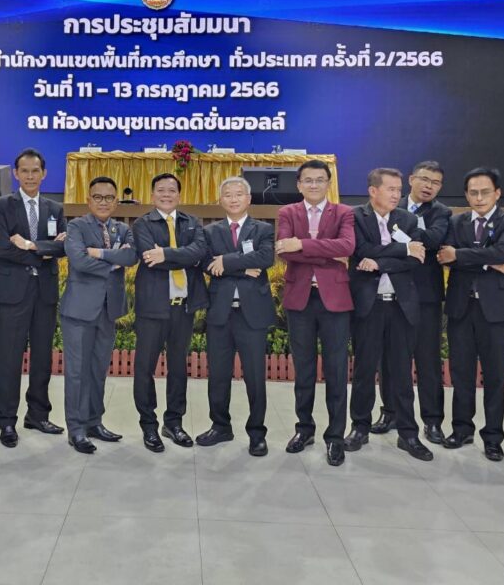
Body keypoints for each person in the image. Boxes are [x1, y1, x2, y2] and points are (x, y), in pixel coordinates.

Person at [438, 167, 504, 461]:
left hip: (497, 309)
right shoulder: (456, 221)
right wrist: (488, 262)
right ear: (466, 195)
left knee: (494, 375)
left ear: (497, 193)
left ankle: (492, 437)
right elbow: (445, 256)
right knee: (461, 372)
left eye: (485, 192)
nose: (479, 198)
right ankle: (461, 429)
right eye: (473, 193)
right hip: (461, 307)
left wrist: (463, 255)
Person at [345, 168, 432, 460]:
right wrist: (403, 249)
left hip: (401, 305)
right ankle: (359, 427)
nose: (397, 194)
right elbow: (361, 251)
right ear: (373, 191)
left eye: (398, 189)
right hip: (368, 305)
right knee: (364, 369)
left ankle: (408, 433)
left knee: (402, 372)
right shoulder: (355, 217)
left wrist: (380, 263)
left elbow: (416, 260)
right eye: (391, 189)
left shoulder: (407, 219)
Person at [275, 159, 354, 466]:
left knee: (336, 371)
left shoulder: (344, 212)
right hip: (301, 300)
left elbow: (346, 246)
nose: (313, 185)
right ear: (299, 184)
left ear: (328, 183)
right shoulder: (287, 212)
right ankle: (304, 429)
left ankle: (335, 437)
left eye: (319, 180)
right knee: (304, 370)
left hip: (335, 300)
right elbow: (285, 251)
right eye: (308, 180)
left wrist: (302, 245)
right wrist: (325, 253)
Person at [0, 148, 67, 447]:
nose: (31, 176)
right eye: (25, 171)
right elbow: (2, 249)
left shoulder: (55, 208)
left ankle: (38, 414)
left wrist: (31, 245)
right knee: (9, 358)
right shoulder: (1, 206)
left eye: (36, 171)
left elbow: (62, 248)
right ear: (16, 173)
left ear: (44, 173)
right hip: (13, 292)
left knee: (42, 356)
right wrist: (43, 251)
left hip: (44, 293)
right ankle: (7, 420)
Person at [374, 160, 452, 445]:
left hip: (425, 297)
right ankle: (390, 413)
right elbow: (379, 242)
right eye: (425, 179)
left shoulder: (442, 212)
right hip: (392, 293)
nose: (429, 186)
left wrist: (402, 236)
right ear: (411, 179)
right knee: (390, 359)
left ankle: (432, 420)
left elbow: (432, 240)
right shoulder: (391, 203)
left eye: (436, 182)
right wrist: (408, 243)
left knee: (428, 359)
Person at [196, 176, 276, 457]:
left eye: (238, 194)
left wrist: (226, 261)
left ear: (248, 199)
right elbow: (206, 264)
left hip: (252, 314)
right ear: (220, 200)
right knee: (218, 374)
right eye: (227, 194)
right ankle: (220, 426)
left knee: (255, 376)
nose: (233, 198)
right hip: (220, 312)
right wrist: (243, 268)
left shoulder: (263, 229)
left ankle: (257, 433)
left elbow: (265, 259)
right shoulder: (210, 231)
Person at [132, 172, 209, 452]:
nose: (166, 195)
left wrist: (164, 253)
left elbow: (199, 253)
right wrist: (183, 256)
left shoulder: (192, 222)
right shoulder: (142, 224)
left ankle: (174, 422)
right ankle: (149, 425)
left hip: (183, 307)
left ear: (179, 194)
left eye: (172, 190)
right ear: (153, 195)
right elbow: (148, 258)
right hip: (152, 307)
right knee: (145, 368)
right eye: (161, 190)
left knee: (178, 368)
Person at [60, 176, 137, 454]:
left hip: (108, 310)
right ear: (88, 200)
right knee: (77, 373)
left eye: (109, 198)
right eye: (98, 197)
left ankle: (94, 422)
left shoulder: (122, 229)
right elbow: (79, 261)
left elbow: (131, 258)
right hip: (79, 311)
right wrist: (113, 262)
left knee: (97, 370)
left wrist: (99, 253)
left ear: (116, 201)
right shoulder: (76, 226)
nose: (103, 202)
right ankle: (77, 429)